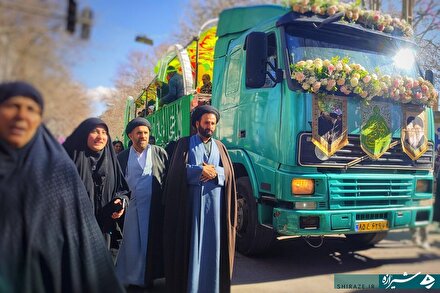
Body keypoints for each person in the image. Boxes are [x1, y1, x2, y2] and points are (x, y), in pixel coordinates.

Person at [0, 81, 124, 292]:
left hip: (47, 270)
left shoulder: (56, 168)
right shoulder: (70, 158)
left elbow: (78, 228)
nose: (21, 115)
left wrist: (122, 202)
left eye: (30, 109)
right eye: (12, 106)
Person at [163, 105, 237, 293]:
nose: (210, 126)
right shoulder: (184, 143)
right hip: (191, 208)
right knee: (192, 248)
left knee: (213, 249)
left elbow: (228, 173)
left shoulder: (220, 147)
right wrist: (199, 170)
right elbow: (175, 173)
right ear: (197, 123)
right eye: (206, 122)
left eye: (213, 123)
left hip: (215, 210)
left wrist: (215, 172)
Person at [115, 117, 168, 288]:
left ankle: (149, 276)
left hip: (153, 208)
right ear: (130, 135)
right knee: (130, 244)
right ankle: (130, 278)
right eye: (139, 133)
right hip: (129, 208)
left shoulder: (159, 153)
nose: (143, 136)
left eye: (145, 132)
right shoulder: (122, 157)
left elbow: (167, 179)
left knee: (150, 243)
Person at [63, 118, 130, 250]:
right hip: (75, 234)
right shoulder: (68, 162)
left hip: (104, 232)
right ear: (83, 134)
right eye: (94, 131)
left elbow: (122, 190)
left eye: (104, 132)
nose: (100, 137)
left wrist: (121, 202)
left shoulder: (111, 162)